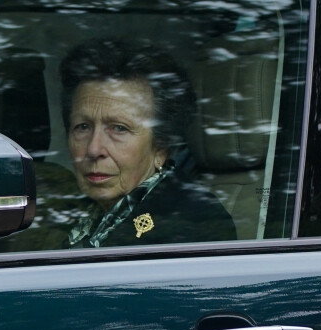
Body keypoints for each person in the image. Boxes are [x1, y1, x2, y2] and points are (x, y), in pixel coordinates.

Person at [59, 38, 237, 248]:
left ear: (161, 147)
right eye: (83, 127)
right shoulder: (67, 211)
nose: (93, 149)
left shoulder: (193, 223)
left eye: (119, 128)